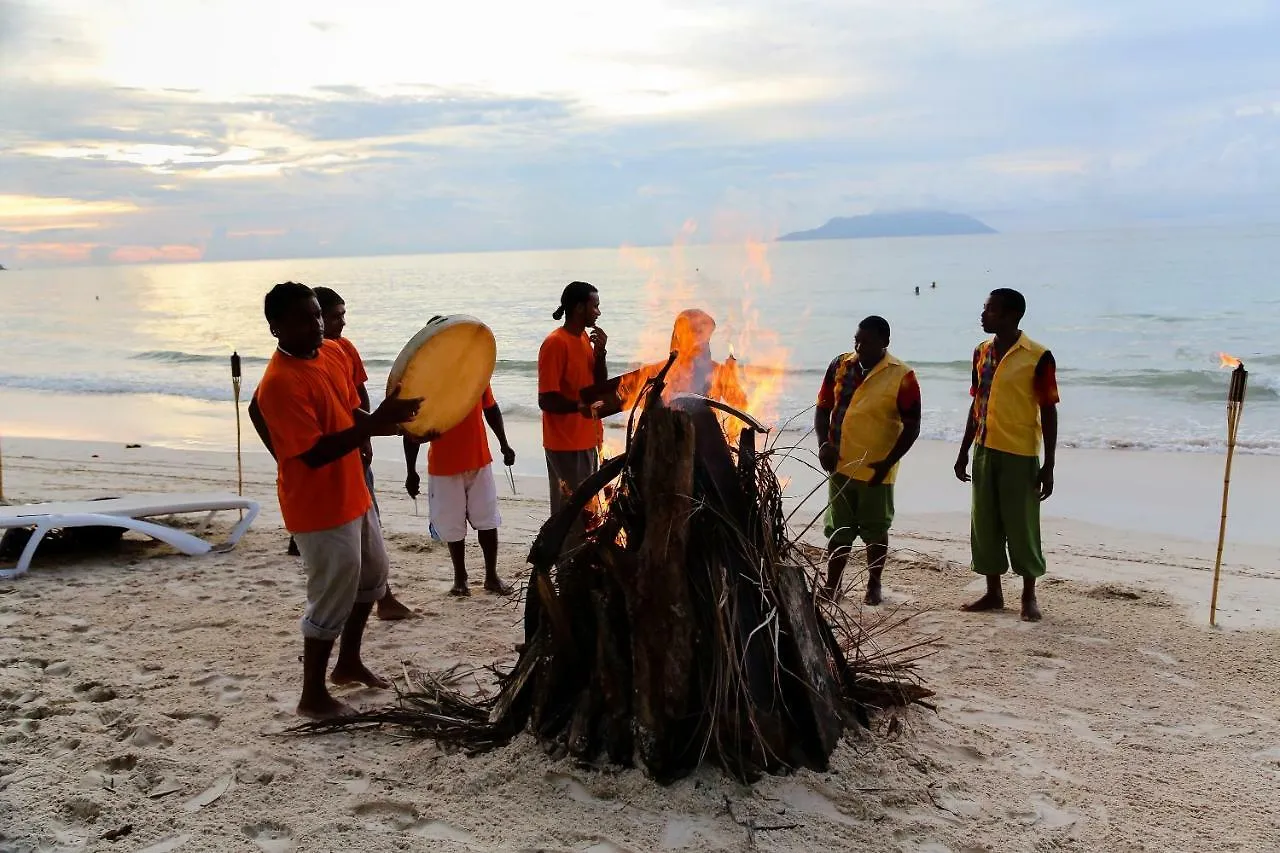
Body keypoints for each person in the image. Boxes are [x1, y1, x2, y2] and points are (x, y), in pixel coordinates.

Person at [253, 281, 422, 719]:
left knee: (372, 576)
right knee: (330, 594)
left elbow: (350, 412)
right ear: (275, 328)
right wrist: (373, 426)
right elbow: (313, 453)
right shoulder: (279, 383)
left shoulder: (329, 353)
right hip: (317, 506)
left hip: (353, 491)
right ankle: (312, 696)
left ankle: (348, 663)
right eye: (304, 319)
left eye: (317, 315)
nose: (317, 325)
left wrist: (395, 424)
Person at [954, 288, 1059, 622]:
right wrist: (963, 451)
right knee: (984, 523)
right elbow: (977, 402)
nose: (983, 315)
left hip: (1020, 452)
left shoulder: (1038, 356)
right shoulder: (981, 352)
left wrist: (1049, 463)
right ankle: (993, 592)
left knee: (1022, 525)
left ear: (1013, 315)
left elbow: (1049, 410)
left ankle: (1029, 596)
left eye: (991, 311)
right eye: (985, 309)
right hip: (985, 448)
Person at [312, 286, 413, 619]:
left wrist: (367, 437)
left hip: (354, 445)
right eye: (334, 316)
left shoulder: (344, 349)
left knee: (370, 521)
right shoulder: (307, 360)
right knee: (351, 535)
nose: (342, 321)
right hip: (331, 457)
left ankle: (383, 597)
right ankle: (380, 599)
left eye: (343, 314)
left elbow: (357, 396)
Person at [815, 316, 921, 605]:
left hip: (877, 469)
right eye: (856, 340)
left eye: (867, 342)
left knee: (875, 531)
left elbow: (913, 426)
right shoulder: (840, 365)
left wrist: (888, 462)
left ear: (885, 342)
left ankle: (874, 584)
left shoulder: (902, 375)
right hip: (840, 464)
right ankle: (832, 585)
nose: (860, 346)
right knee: (839, 530)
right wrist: (824, 444)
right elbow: (823, 409)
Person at [402, 384, 516, 597]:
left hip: (478, 459)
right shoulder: (429, 379)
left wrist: (504, 443)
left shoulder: (476, 371)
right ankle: (460, 578)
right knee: (453, 525)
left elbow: (490, 408)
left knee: (488, 520)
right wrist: (410, 470)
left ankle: (491, 576)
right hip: (444, 466)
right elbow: (413, 428)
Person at [538, 281, 607, 524]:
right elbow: (546, 399)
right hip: (565, 444)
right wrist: (578, 407)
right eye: (595, 306)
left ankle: (582, 559)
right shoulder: (556, 343)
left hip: (588, 437)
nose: (598, 312)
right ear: (579, 308)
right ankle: (566, 561)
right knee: (569, 513)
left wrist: (601, 355)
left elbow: (598, 388)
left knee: (588, 510)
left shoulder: (584, 340)